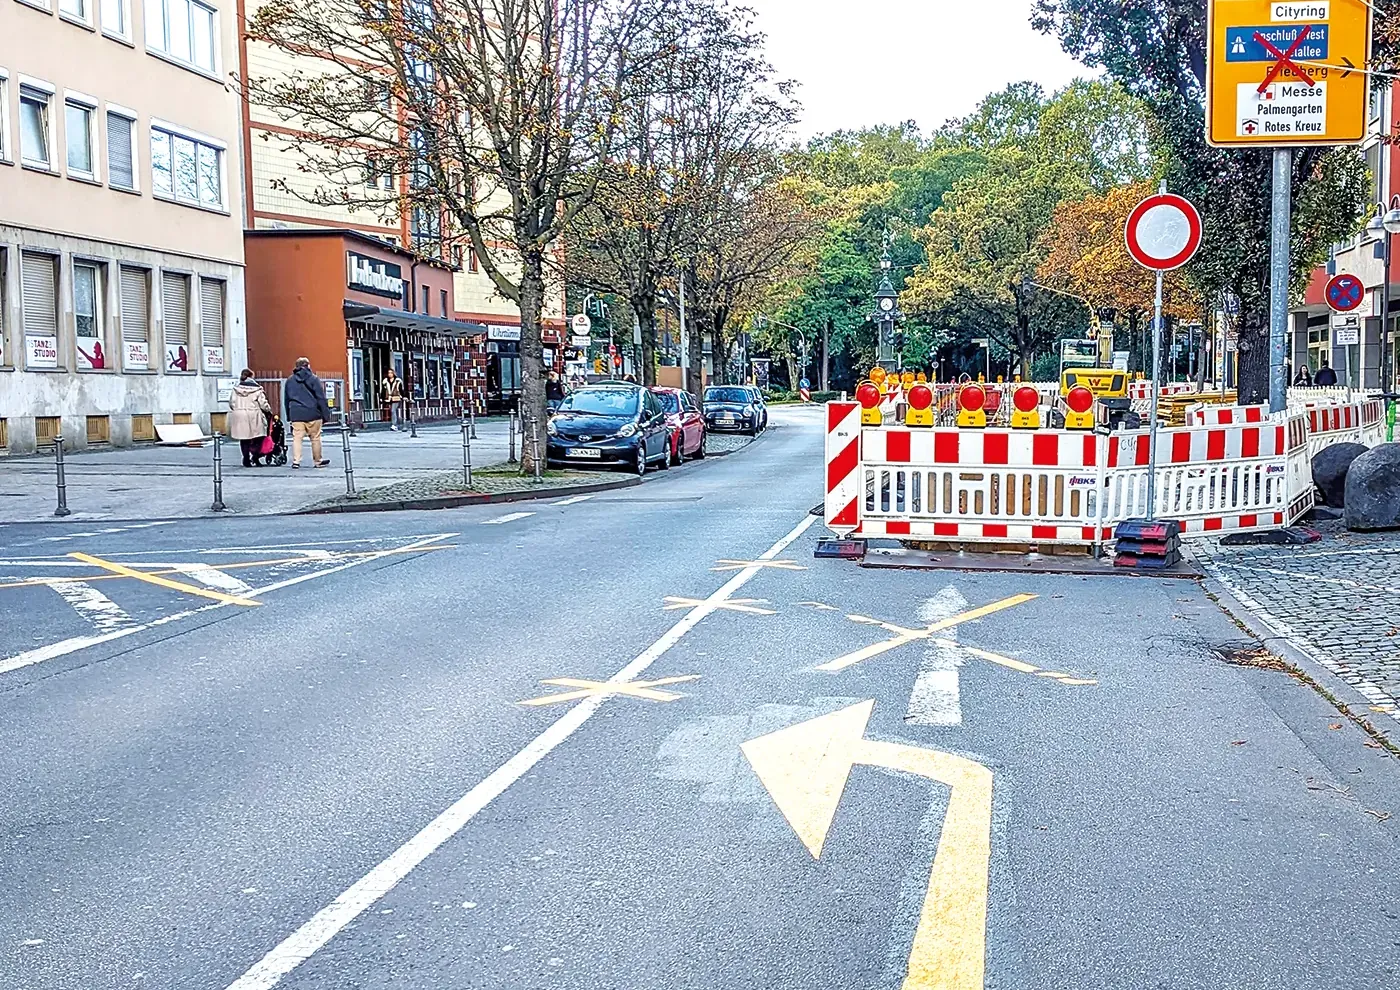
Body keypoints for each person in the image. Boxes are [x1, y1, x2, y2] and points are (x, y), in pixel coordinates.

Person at [283, 356, 332, 468]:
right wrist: (325, 415)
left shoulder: (290, 380)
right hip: (313, 413)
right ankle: (318, 461)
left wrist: (289, 415)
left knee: (297, 438)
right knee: (315, 438)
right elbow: (320, 398)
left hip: (296, 413)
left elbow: (286, 399)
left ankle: (296, 461)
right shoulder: (313, 379)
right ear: (308, 365)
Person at [228, 369, 273, 467]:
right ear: (251, 377)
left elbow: (232, 403)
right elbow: (263, 404)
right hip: (254, 414)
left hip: (239, 415)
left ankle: (246, 459)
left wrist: (238, 409)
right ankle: (255, 458)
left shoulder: (236, 389)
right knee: (258, 437)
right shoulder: (257, 389)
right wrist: (269, 410)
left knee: (244, 439)